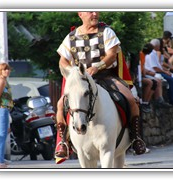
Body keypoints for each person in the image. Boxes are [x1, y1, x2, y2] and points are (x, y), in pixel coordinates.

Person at [56, 12, 146, 159]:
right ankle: (64, 142)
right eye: (90, 11)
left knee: (130, 99)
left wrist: (97, 67)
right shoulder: (71, 37)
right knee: (60, 105)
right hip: (81, 81)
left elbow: (111, 55)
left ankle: (136, 137)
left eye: (96, 10)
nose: (95, 13)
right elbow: (62, 60)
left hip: (105, 76)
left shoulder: (106, 32)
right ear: (81, 14)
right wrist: (71, 71)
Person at [0, 63, 13, 168]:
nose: (6, 71)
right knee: (2, 136)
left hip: (5, 110)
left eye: (7, 69)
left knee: (1, 135)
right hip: (2, 110)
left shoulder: (5, 80)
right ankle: (0, 161)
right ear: (0, 71)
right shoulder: (1, 81)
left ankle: (0, 158)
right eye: (4, 70)